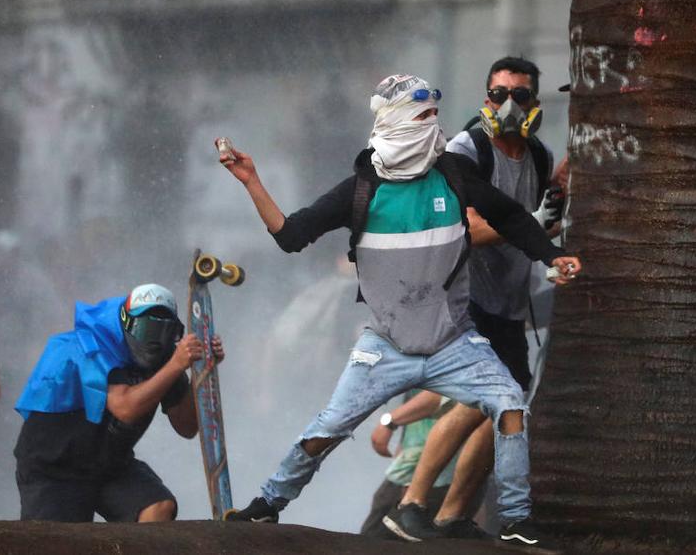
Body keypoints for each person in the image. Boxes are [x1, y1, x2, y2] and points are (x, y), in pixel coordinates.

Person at [216, 73, 582, 549]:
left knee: (510, 405)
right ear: (396, 122)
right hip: (385, 345)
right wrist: (252, 181)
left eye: (436, 116)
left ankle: (515, 521)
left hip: (454, 341)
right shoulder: (361, 189)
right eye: (423, 117)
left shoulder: (453, 174)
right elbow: (291, 235)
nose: (433, 127)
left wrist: (552, 257)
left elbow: (510, 217)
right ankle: (267, 505)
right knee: (327, 429)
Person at [383, 56, 565, 541]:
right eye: (499, 94)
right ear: (486, 98)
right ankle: (411, 503)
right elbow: (464, 227)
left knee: (511, 410)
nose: (508, 104)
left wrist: (551, 214)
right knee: (479, 399)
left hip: (508, 303)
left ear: (534, 103)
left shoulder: (539, 157)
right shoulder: (467, 150)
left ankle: (454, 515)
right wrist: (528, 219)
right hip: (463, 299)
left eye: (519, 96)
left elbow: (540, 224)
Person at [12, 283, 222, 522]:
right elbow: (124, 408)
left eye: (164, 331)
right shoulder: (92, 345)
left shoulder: (167, 355)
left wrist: (200, 370)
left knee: (157, 508)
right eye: (146, 329)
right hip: (55, 467)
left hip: (109, 465)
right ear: (127, 323)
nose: (155, 340)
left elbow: (187, 426)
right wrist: (176, 364)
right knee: (62, 542)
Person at [359, 390, 470, 537]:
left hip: (439, 476)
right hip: (411, 468)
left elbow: (443, 395)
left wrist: (390, 422)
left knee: (382, 539)